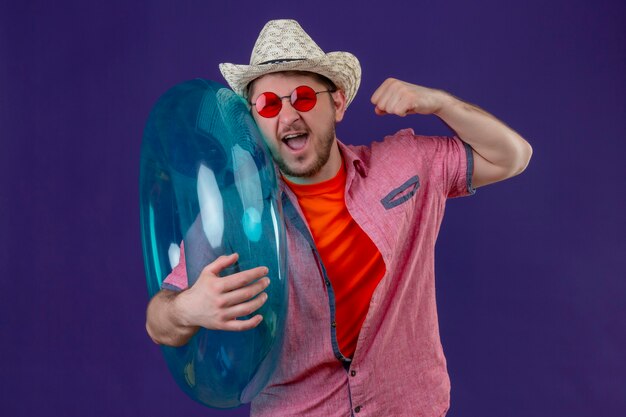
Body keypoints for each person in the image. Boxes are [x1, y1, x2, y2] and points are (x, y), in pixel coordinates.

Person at [145, 19, 532, 416]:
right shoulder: (231, 215)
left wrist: (440, 103)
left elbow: (512, 156)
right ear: (254, 123)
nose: (289, 116)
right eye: (269, 105)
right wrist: (187, 308)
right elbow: (159, 322)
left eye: (304, 98)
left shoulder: (405, 165)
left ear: (338, 103)